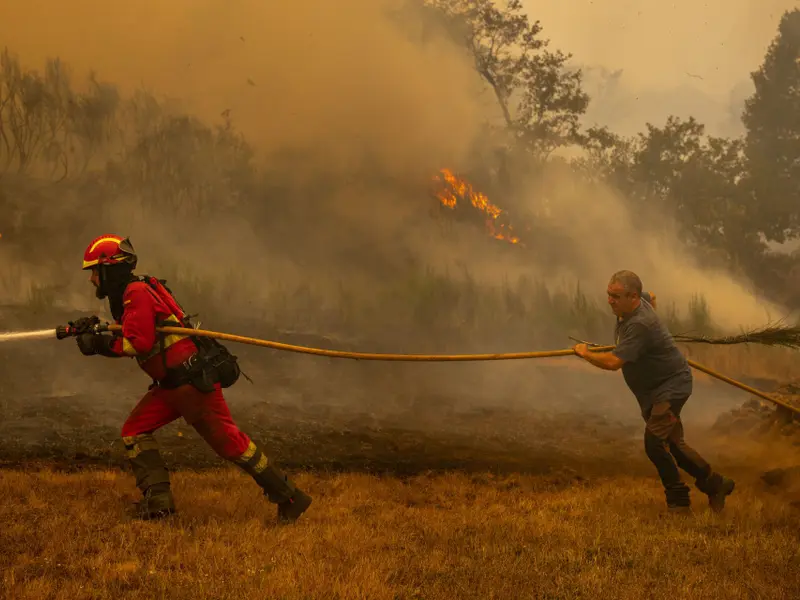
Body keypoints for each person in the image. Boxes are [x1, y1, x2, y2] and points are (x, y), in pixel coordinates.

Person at [73, 234, 312, 524]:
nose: (92, 279)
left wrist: (98, 345)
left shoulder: (134, 292)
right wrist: (95, 330)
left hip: (189, 384)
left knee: (231, 444)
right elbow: (136, 330)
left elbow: (140, 343)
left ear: (110, 268)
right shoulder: (135, 291)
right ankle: (158, 502)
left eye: (95, 272)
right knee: (136, 431)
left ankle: (290, 497)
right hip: (174, 385)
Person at [572, 270, 735, 513]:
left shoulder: (640, 324)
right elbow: (652, 297)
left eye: (615, 296)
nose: (610, 301)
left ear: (633, 297)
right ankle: (716, 484)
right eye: (608, 295)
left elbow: (613, 363)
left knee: (654, 443)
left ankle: (678, 502)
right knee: (675, 445)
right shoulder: (637, 305)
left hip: (671, 388)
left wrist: (585, 353)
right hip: (654, 390)